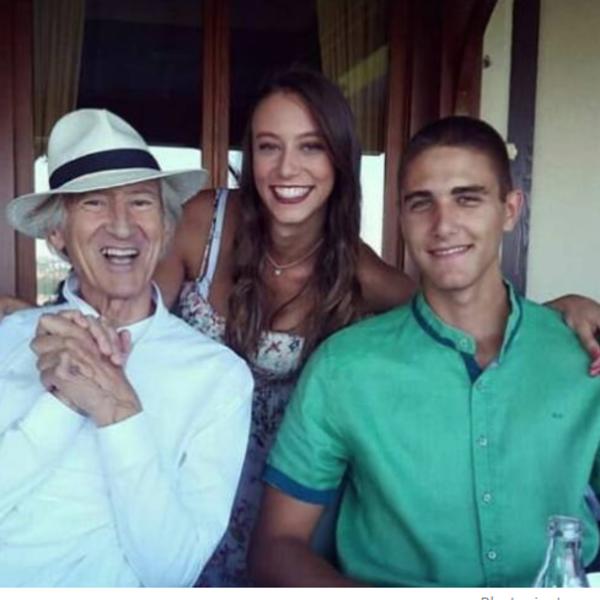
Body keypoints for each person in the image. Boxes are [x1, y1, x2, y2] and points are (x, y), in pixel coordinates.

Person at [1, 69, 599, 585]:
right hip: (170, 465)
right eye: (269, 147)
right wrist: (28, 323)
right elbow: (121, 300)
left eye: (311, 147)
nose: (287, 168)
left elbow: (454, 299)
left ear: (339, 160)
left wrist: (551, 317)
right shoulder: (205, 224)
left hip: (285, 493)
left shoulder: (354, 268)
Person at [249, 116, 600, 587]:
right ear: (401, 218)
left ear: (510, 209)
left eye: (467, 198)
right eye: (421, 203)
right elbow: (275, 548)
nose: (443, 225)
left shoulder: (582, 354)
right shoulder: (344, 368)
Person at [0, 108, 253, 586]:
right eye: (94, 203)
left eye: (141, 202)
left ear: (166, 227)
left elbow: (173, 573)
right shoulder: (10, 339)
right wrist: (62, 402)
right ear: (57, 233)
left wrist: (118, 411)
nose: (121, 226)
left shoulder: (218, 376)